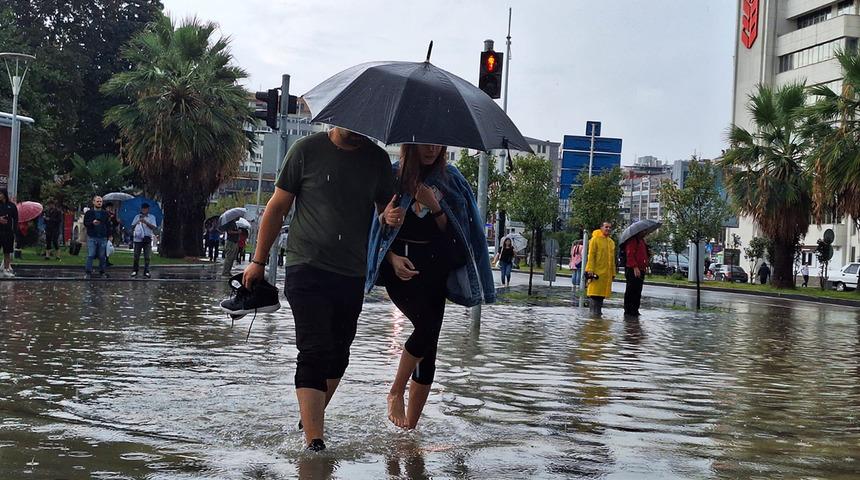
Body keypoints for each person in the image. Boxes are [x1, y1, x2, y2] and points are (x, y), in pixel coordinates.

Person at [242, 127, 398, 452]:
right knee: (314, 349)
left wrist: (391, 217)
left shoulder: (377, 160)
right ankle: (315, 442)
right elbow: (277, 207)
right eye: (351, 126)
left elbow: (385, 213)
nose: (358, 133)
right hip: (306, 265)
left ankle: (309, 418)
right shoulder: (305, 150)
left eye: (363, 129)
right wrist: (257, 261)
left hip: (352, 272)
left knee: (339, 354)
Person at [367, 144, 495, 430]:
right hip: (399, 269)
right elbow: (373, 228)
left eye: (437, 145)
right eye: (424, 144)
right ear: (410, 144)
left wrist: (435, 206)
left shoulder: (451, 179)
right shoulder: (392, 177)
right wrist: (389, 242)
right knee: (424, 328)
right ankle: (396, 390)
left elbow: (457, 235)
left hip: (435, 271)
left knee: (430, 347)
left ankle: (409, 430)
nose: (431, 150)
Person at [584, 222, 616, 316]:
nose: (608, 229)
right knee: (594, 296)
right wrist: (590, 270)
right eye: (606, 227)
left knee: (601, 297)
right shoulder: (595, 240)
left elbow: (612, 259)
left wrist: (613, 273)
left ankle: (597, 317)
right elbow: (591, 256)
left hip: (605, 275)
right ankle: (593, 320)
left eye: (610, 227)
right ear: (601, 228)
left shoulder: (611, 242)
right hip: (596, 274)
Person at [83, 196, 110, 278]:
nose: (99, 203)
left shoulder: (105, 213)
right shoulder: (89, 213)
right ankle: (88, 272)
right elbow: (86, 223)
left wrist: (109, 235)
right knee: (91, 254)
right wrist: (92, 223)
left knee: (102, 256)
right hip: (92, 236)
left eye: (100, 201)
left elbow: (108, 225)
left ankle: (102, 272)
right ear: (94, 202)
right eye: (97, 201)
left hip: (102, 237)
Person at [623, 231, 648, 316]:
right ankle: (629, 310)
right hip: (633, 269)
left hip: (641, 269)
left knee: (638, 290)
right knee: (631, 289)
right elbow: (630, 254)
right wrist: (634, 267)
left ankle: (635, 309)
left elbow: (643, 255)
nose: (646, 233)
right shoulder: (633, 240)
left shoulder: (642, 241)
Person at [130, 203, 158, 278]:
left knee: (147, 256)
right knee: (136, 255)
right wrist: (138, 222)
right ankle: (135, 270)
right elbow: (132, 226)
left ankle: (146, 271)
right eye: (143, 209)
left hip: (147, 238)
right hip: (138, 239)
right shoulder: (137, 217)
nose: (144, 210)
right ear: (141, 209)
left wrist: (145, 222)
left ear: (148, 209)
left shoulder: (152, 217)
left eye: (146, 209)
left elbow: (154, 227)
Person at [0, 189, 18, 278]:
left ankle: (6, 269)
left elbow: (16, 219)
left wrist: (14, 231)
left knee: (7, 251)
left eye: (0, 194)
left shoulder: (12, 206)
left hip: (8, 232)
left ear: (4, 195)